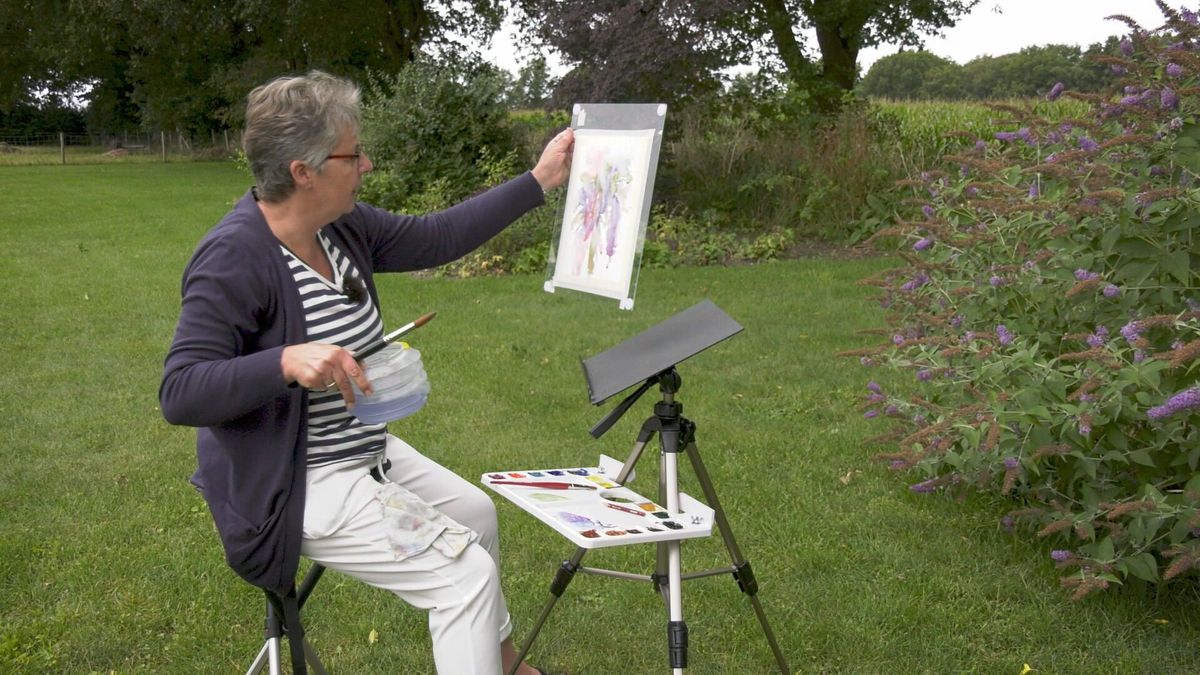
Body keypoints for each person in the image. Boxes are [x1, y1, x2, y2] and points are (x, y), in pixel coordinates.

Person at [159, 70, 572, 674]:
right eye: (354, 154)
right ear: (304, 170)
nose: (367, 165)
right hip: (300, 477)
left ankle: (501, 661)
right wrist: (283, 361)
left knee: (475, 515)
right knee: (463, 577)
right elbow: (180, 391)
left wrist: (539, 181)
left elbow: (435, 237)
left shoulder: (340, 228)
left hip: (360, 449)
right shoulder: (234, 259)